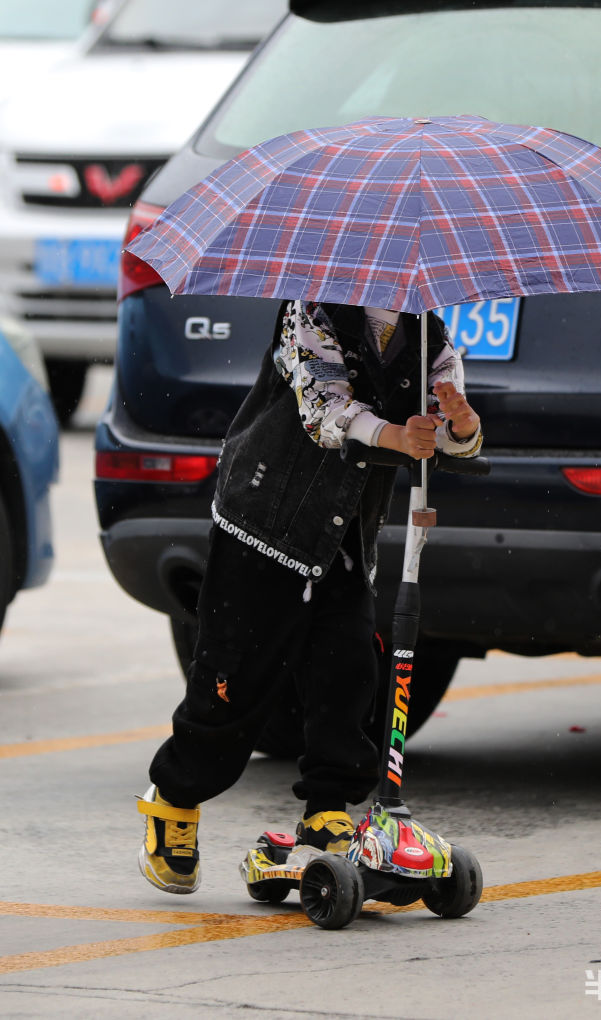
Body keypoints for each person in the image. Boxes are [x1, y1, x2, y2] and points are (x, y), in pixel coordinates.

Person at [137, 299, 482, 894]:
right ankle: (174, 795)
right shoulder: (311, 311)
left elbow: (452, 434)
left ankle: (328, 808)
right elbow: (324, 412)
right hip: (265, 519)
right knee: (235, 680)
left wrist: (458, 426)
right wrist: (398, 435)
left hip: (342, 532)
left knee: (346, 670)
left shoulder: (428, 337)